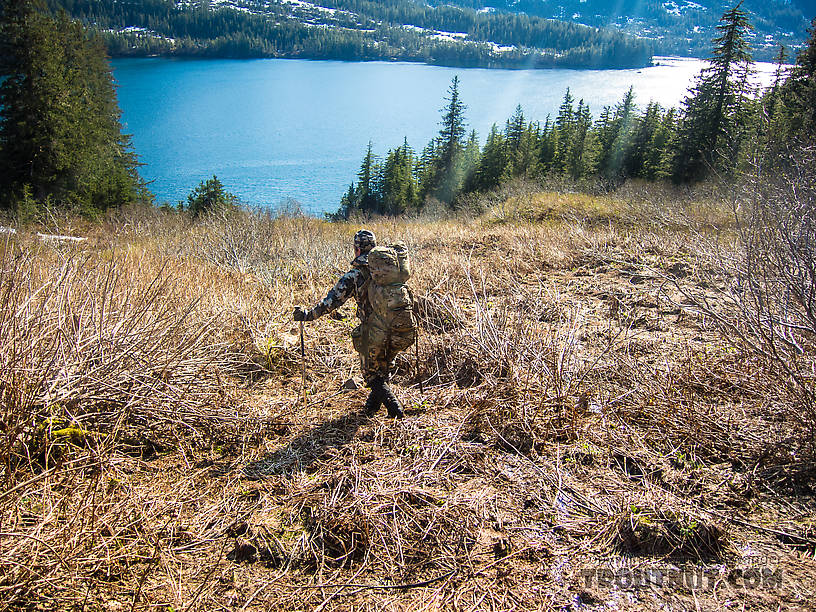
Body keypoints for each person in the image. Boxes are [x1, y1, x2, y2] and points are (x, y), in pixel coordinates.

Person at [294, 229, 405, 419]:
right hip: (397, 326)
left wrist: (307, 315)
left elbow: (331, 302)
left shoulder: (354, 275)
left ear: (356, 249)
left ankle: (395, 410)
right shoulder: (388, 270)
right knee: (381, 368)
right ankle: (371, 407)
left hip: (373, 331)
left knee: (372, 375)